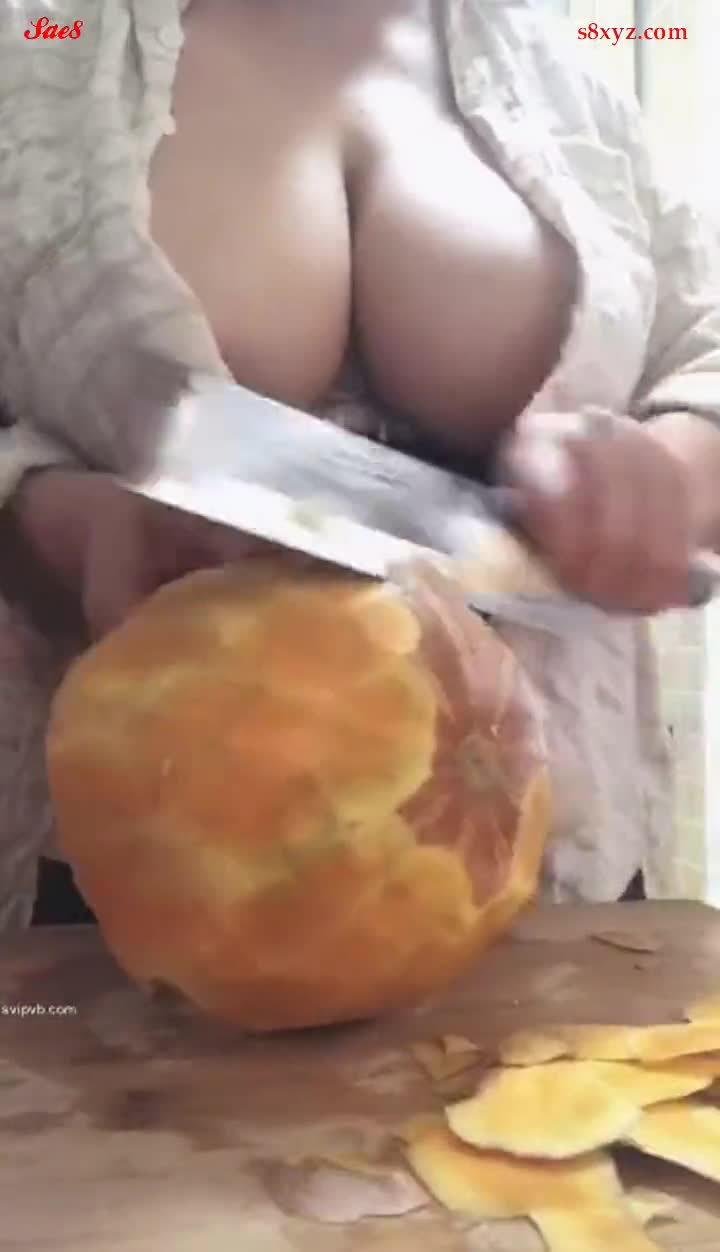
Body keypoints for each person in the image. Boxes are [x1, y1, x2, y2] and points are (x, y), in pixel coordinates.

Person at [0, 0, 719, 928]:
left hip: (552, 887)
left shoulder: (557, 61)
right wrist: (53, 519)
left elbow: (702, 347)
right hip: (144, 904)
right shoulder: (35, 42)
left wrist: (673, 465)